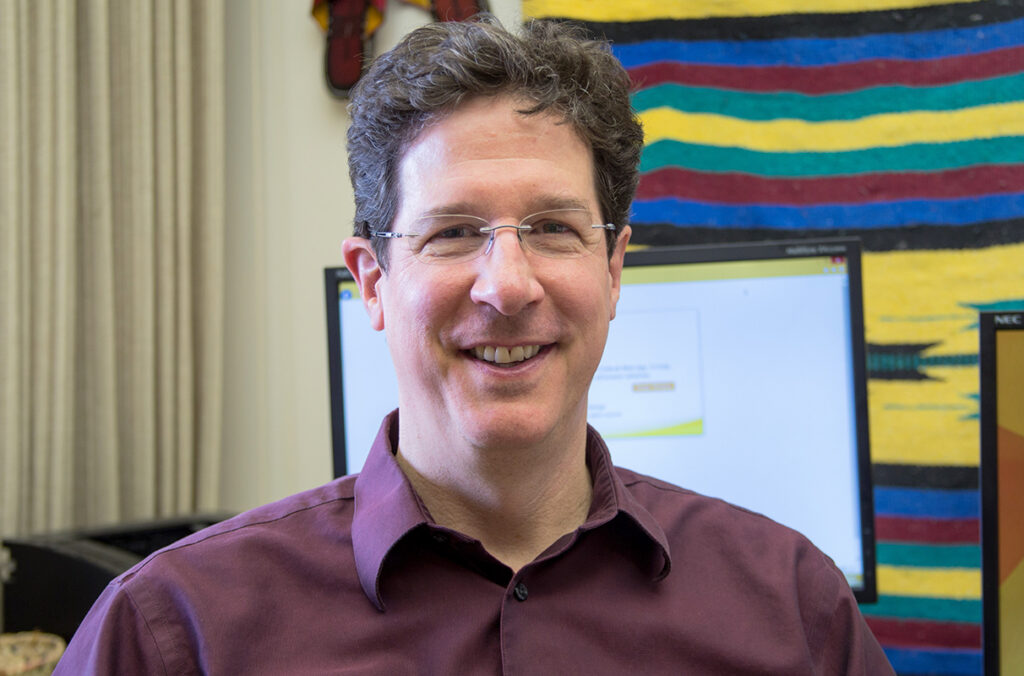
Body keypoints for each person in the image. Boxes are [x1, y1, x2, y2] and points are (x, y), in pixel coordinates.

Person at [56, 17, 895, 674]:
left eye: (553, 229)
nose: (508, 285)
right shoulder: (175, 632)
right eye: (454, 231)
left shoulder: (791, 610)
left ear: (613, 267)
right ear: (374, 280)